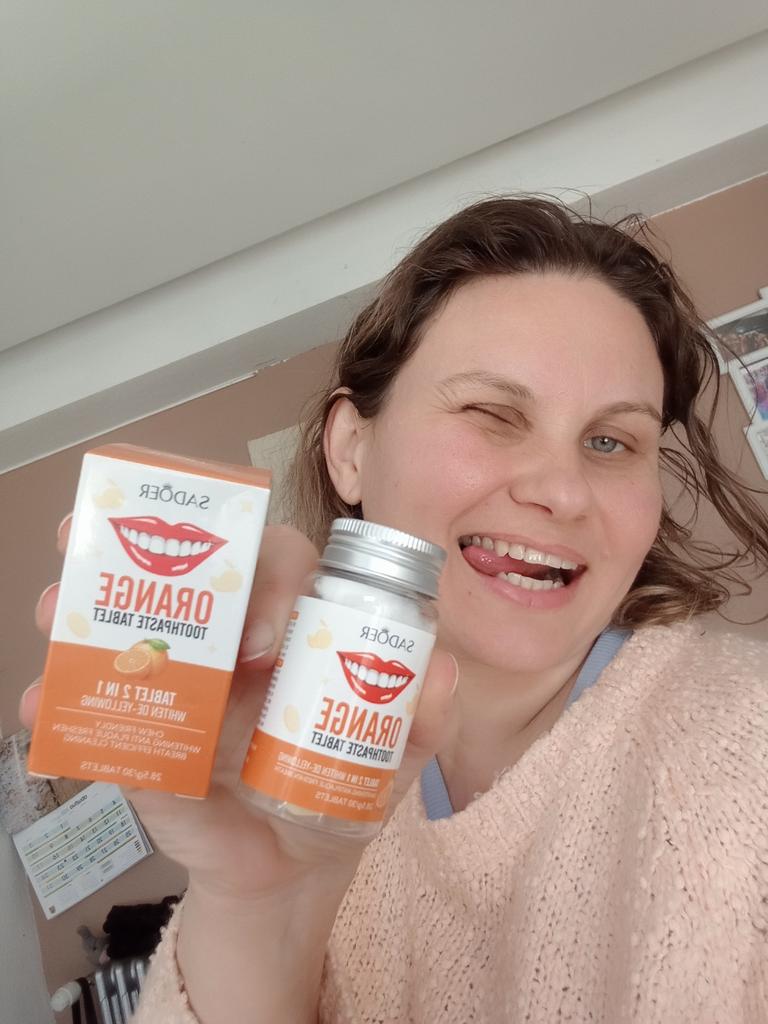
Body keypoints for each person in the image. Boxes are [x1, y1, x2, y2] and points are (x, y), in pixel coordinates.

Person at [22, 197, 768, 1023]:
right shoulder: (303, 770)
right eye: (494, 414)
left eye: (609, 441)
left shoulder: (747, 752)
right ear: (351, 448)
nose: (563, 491)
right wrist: (258, 904)